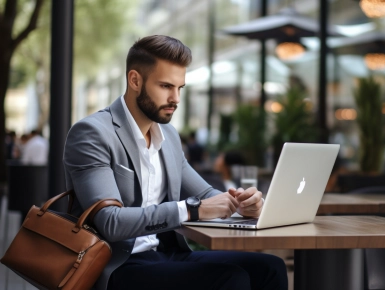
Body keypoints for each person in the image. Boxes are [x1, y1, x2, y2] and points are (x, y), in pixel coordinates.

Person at [63, 35, 287, 290]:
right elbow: (110, 222)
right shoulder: (93, 132)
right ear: (135, 80)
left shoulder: (168, 135)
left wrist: (240, 205)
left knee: (270, 267)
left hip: (166, 252)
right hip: (116, 265)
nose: (176, 99)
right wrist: (191, 209)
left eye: (180, 88)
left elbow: (204, 194)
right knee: (230, 279)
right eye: (166, 86)